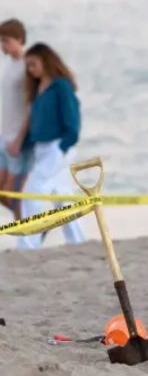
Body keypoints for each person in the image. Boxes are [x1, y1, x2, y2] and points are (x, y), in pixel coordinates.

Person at [17, 43, 85, 250]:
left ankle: (29, 244)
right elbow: (37, 123)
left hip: (57, 147)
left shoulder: (61, 86)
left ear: (46, 62)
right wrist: (23, 144)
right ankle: (78, 241)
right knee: (62, 197)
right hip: (41, 148)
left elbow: (72, 120)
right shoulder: (39, 90)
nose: (31, 69)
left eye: (34, 64)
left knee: (31, 192)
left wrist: (63, 146)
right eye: (28, 66)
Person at [0, 19, 30, 218]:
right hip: (3, 135)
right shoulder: (8, 64)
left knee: (12, 192)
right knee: (3, 193)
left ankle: (30, 231)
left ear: (19, 39)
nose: (3, 46)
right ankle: (31, 229)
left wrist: (20, 139)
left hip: (17, 139)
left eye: (6, 41)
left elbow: (31, 106)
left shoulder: (28, 66)